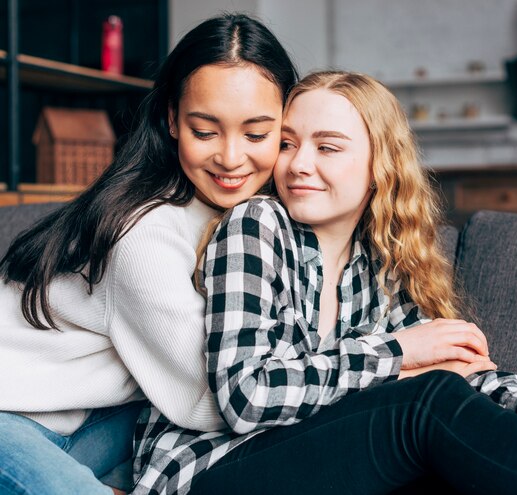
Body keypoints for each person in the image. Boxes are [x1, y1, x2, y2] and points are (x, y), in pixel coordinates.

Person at [133, 70, 517, 495]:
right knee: (425, 403)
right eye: (287, 143)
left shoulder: (379, 260)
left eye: (327, 147)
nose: (299, 163)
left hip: (308, 462)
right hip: (207, 473)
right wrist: (398, 357)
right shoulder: (256, 225)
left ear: (378, 166)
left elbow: (460, 365)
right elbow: (248, 397)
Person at [0, 13, 297, 495]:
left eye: (257, 134)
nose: (230, 156)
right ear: (172, 121)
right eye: (205, 131)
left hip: (90, 419)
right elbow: (214, 402)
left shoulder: (257, 219)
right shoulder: (144, 228)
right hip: (10, 414)